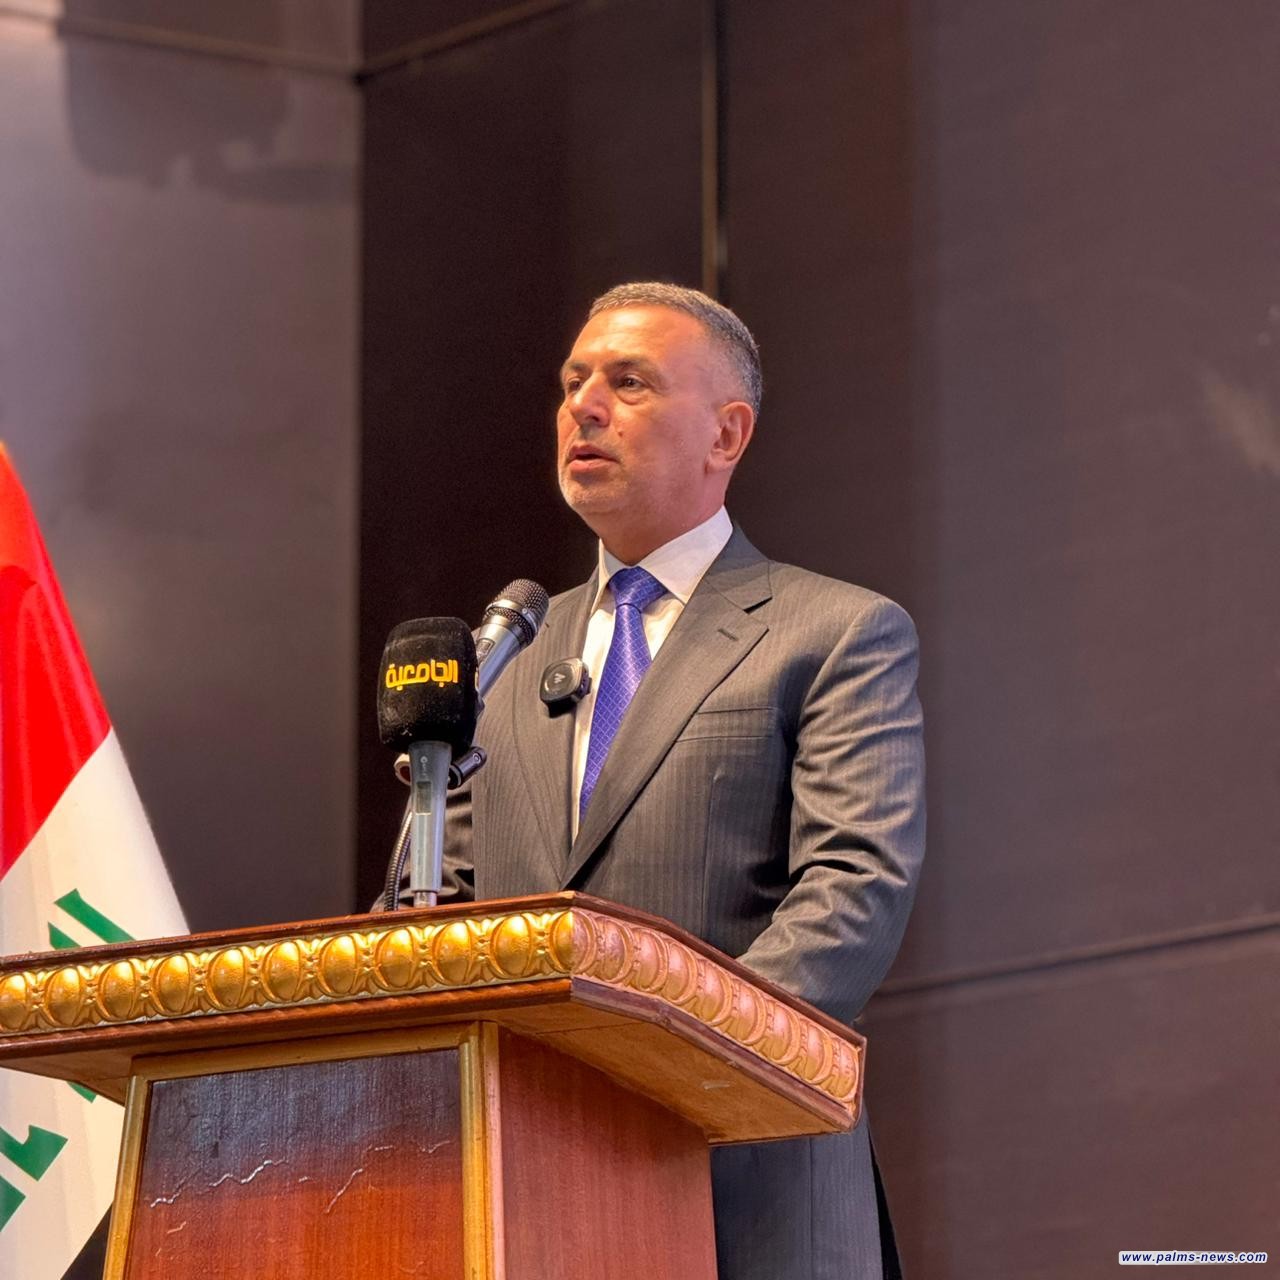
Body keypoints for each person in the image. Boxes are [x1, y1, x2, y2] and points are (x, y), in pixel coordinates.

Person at [440, 281, 925, 1280]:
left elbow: (851, 890)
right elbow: (439, 904)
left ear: (725, 434)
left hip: (747, 1183)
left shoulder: (834, 632)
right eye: (573, 381)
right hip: (517, 1188)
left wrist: (662, 1068)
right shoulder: (503, 657)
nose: (583, 406)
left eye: (629, 382)